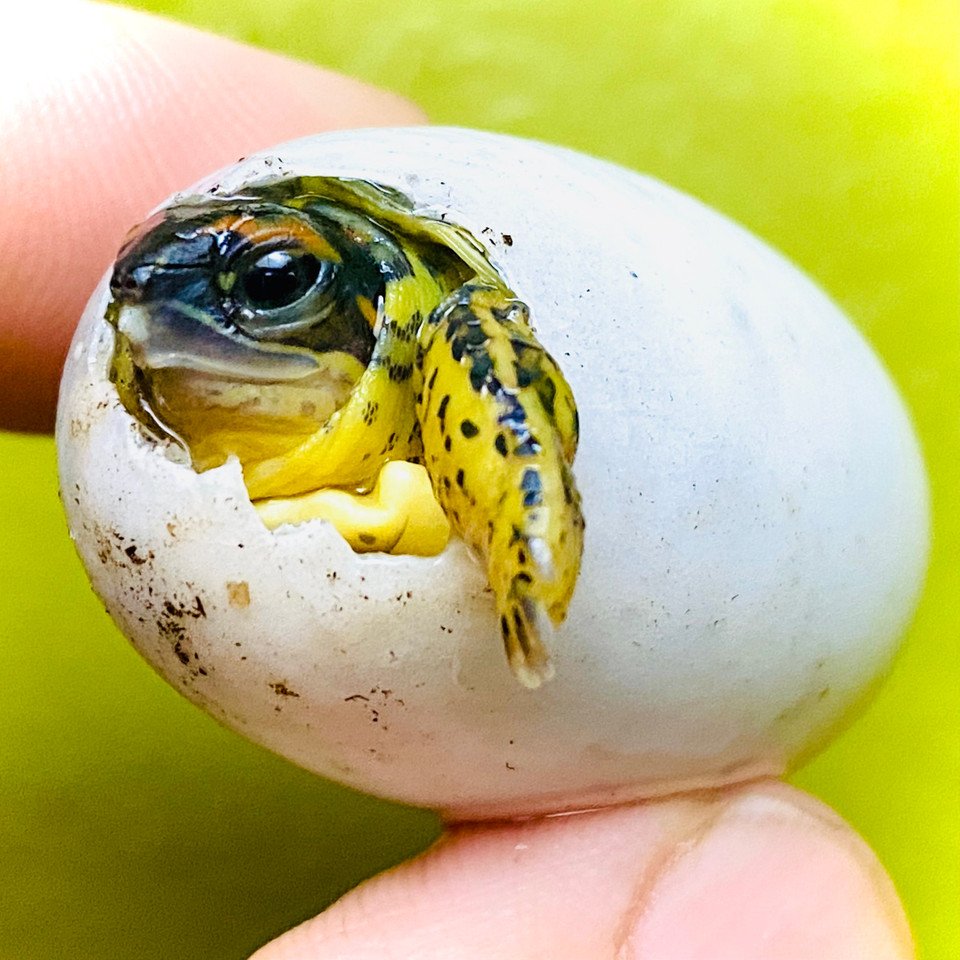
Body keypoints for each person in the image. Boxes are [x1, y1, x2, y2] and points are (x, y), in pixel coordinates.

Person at [0, 4, 913, 957]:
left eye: (273, 282)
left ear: (385, 308)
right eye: (139, 297)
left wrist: (520, 518)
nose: (160, 324)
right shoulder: (153, 463)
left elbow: (490, 363)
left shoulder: (452, 334)